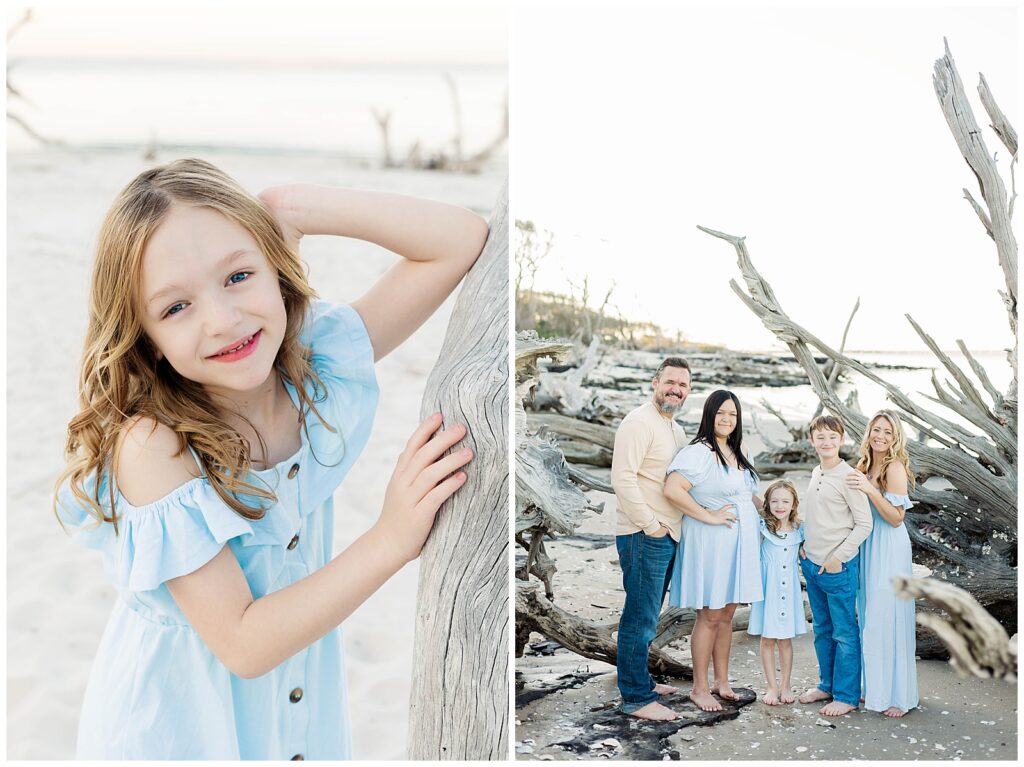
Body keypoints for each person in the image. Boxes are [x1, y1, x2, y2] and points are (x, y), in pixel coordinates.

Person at [53, 159, 488, 759]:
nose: (224, 319)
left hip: (294, 703)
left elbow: (461, 240)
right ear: (144, 336)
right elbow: (242, 642)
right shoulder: (155, 445)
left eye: (237, 275)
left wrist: (293, 206)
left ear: (274, 264)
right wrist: (390, 538)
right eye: (175, 307)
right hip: (179, 727)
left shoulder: (312, 363)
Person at [663, 390, 763, 713]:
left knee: (727, 614)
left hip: (739, 545)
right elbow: (673, 489)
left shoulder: (740, 449)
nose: (726, 419)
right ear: (709, 414)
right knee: (708, 615)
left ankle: (722, 681)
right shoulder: (699, 452)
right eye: (720, 413)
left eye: (732, 414)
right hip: (712, 543)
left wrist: (773, 512)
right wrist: (708, 515)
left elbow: (746, 494)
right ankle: (699, 687)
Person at [611, 357, 691, 721]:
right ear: (655, 383)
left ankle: (640, 681)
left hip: (665, 535)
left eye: (683, 385)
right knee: (639, 618)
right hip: (643, 534)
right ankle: (636, 699)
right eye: (670, 382)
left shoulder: (673, 428)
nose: (676, 389)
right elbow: (623, 479)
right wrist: (650, 525)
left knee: (648, 615)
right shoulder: (639, 422)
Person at [797, 414, 872, 716]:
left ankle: (847, 695)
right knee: (822, 630)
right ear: (812, 440)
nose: (826, 442)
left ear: (842, 440)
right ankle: (827, 684)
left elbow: (864, 524)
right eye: (820, 437)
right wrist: (802, 545)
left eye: (832, 436)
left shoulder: (849, 476)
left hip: (837, 567)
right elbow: (815, 516)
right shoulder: (817, 471)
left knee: (844, 632)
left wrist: (837, 558)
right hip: (812, 566)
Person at [846, 409, 919, 718]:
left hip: (889, 547)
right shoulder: (864, 464)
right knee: (870, 617)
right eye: (876, 429)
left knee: (887, 617)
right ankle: (875, 687)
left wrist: (870, 490)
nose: (880, 436)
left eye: (887, 432)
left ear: (895, 437)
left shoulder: (894, 467)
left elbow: (896, 518)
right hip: (868, 546)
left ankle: (898, 697)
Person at [748, 479, 806, 706]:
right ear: (767, 504)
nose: (779, 506)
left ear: (793, 504)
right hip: (768, 589)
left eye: (785, 501)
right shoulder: (762, 527)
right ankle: (771, 686)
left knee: (785, 639)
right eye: (774, 501)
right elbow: (749, 499)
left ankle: (786, 685)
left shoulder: (800, 530)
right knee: (768, 638)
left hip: (789, 590)